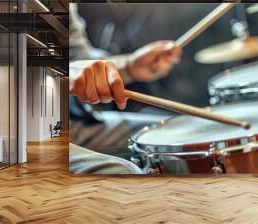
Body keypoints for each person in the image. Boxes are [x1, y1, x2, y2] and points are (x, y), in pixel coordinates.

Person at [69, 4, 182, 174]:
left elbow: (78, 57)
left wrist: (129, 66)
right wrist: (61, 76)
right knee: (122, 173)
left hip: (73, 122)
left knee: (176, 144)